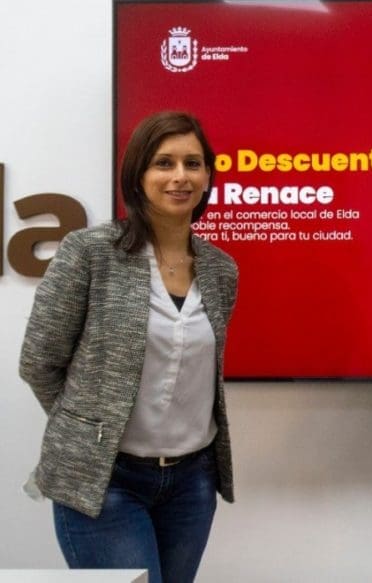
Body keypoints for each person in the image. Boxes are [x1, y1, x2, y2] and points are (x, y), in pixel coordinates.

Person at [19, 111, 239, 583]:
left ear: (207, 177)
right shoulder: (90, 252)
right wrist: (87, 432)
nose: (180, 176)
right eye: (164, 163)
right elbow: (39, 361)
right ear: (138, 175)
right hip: (106, 481)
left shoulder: (221, 270)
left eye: (193, 163)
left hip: (192, 483)